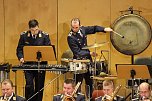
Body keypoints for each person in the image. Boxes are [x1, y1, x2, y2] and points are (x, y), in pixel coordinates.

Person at [67, 18, 113, 100]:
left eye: (76, 27)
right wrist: (90, 53)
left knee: (90, 82)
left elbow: (94, 28)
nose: (74, 29)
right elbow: (77, 52)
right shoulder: (70, 37)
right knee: (78, 83)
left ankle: (90, 98)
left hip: (88, 60)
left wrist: (104, 29)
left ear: (79, 26)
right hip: (79, 61)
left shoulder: (83, 29)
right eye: (73, 27)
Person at [16, 19, 51, 101]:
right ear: (29, 29)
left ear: (38, 27)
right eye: (32, 30)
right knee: (29, 84)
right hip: (28, 65)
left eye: (36, 29)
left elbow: (48, 50)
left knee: (39, 86)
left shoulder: (45, 36)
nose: (35, 31)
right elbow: (19, 49)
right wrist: (21, 57)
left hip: (40, 65)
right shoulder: (24, 36)